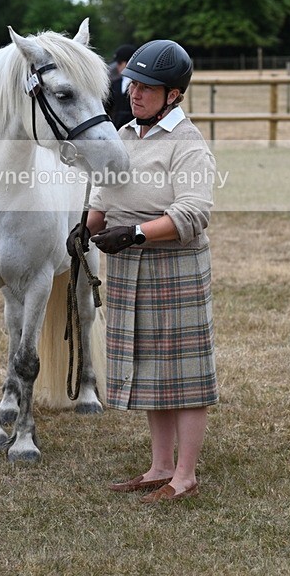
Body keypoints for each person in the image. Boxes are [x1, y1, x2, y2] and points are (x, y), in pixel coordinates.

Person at [67, 38, 218, 503]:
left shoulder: (188, 143)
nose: (135, 93)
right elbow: (104, 193)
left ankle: (185, 476)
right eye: (134, 83)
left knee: (186, 377)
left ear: (174, 93)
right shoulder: (126, 134)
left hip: (173, 265)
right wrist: (87, 225)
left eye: (149, 87)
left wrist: (134, 235)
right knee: (152, 371)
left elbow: (194, 212)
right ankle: (159, 466)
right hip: (130, 269)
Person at [106, 44, 137, 128]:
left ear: (129, 62)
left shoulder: (139, 85)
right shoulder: (114, 84)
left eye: (119, 63)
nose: (117, 66)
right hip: (116, 127)